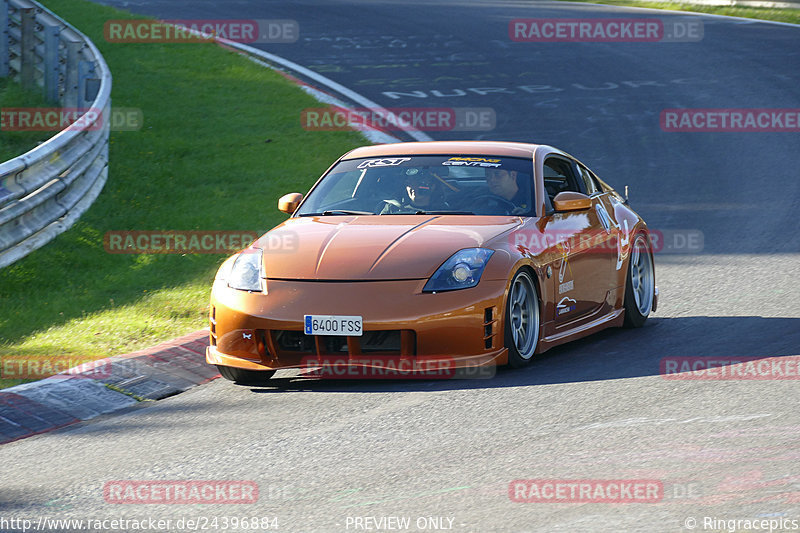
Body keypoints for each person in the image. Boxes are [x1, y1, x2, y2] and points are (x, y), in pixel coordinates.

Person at [380, 168, 449, 214]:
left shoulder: (446, 211)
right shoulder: (392, 209)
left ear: (432, 187)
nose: (413, 187)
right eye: (409, 184)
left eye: (419, 183)